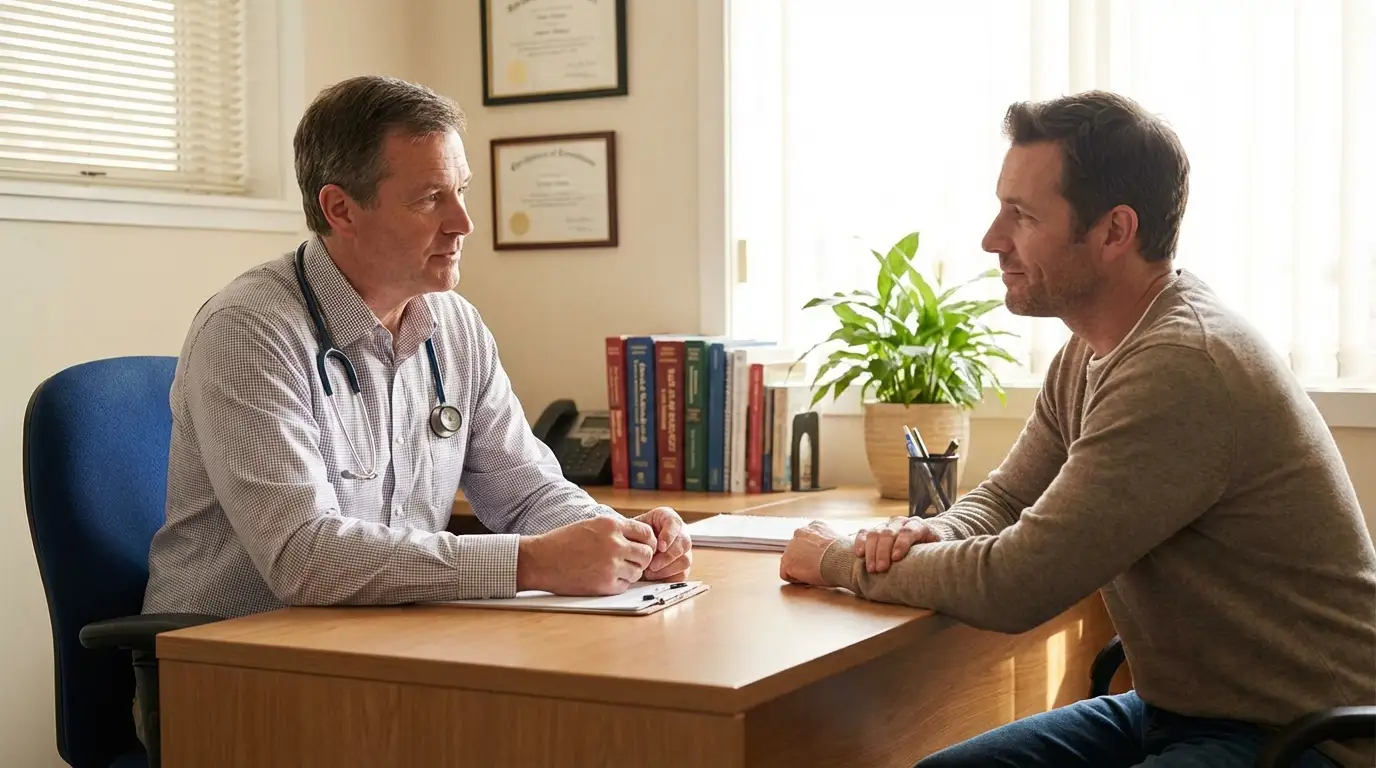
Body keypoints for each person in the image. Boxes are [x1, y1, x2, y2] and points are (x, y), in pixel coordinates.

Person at [779, 91, 1376, 768]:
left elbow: (1016, 580)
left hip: (1305, 737)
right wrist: (929, 531)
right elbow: (1007, 498)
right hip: (1176, 709)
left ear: (1115, 231)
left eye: (1022, 216)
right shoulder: (1094, 348)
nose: (991, 238)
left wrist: (838, 561)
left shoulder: (1181, 365)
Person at [143, 74, 692, 621]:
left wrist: (621, 540)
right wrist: (530, 564)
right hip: (234, 659)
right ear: (341, 209)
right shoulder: (249, 330)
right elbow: (302, 555)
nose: (464, 223)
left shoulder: (455, 326)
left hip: (384, 638)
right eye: (431, 198)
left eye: (462, 190)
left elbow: (526, 492)